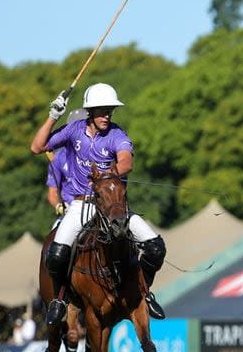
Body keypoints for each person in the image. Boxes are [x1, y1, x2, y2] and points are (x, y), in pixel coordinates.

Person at [30, 83, 167, 324]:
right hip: (81, 205)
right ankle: (60, 299)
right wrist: (53, 117)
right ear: (90, 112)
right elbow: (37, 147)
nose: (107, 115)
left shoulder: (117, 135)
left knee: (156, 248)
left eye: (110, 110)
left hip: (112, 206)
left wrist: (105, 175)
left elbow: (126, 162)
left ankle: (144, 293)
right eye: (102, 110)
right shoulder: (74, 130)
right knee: (56, 254)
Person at [45, 109, 87, 226]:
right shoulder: (58, 158)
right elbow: (52, 193)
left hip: (97, 208)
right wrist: (59, 207)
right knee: (55, 238)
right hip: (70, 210)